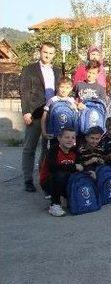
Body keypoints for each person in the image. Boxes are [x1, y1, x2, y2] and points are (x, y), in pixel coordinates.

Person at [19, 41, 62, 192]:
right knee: (29, 148)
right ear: (40, 52)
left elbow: (61, 90)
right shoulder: (29, 69)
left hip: (51, 114)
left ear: (54, 55)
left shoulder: (57, 71)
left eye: (51, 53)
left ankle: (42, 177)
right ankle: (28, 179)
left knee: (46, 149)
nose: (48, 55)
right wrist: (25, 112)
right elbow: (23, 91)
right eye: (45, 52)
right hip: (34, 114)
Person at [40, 127, 81, 217]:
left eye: (73, 137)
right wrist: (74, 166)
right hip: (48, 181)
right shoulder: (53, 150)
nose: (70, 140)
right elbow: (53, 168)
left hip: (66, 180)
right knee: (59, 174)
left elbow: (80, 167)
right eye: (67, 137)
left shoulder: (75, 151)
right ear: (59, 138)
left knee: (79, 176)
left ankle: (64, 197)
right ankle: (55, 204)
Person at [40, 77, 77, 152]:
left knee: (69, 155)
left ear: (71, 88)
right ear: (57, 87)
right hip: (54, 135)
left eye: (67, 87)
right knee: (54, 154)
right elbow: (44, 117)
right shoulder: (52, 100)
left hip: (69, 136)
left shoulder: (72, 101)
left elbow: (76, 119)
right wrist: (44, 132)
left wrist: (76, 134)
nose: (64, 90)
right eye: (62, 87)